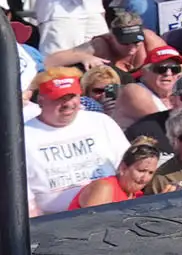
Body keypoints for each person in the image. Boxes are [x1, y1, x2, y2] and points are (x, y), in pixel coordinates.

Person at [21, 70, 126, 216]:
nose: (68, 104)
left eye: (72, 96)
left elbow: (127, 168)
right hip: (55, 221)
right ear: (41, 101)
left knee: (102, 187)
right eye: (60, 98)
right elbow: (23, 199)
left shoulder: (101, 121)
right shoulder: (24, 136)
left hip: (113, 208)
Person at [74, 137, 167, 208]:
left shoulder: (138, 196)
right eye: (141, 171)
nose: (145, 179)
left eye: (150, 173)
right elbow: (92, 226)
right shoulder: (104, 188)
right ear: (123, 168)